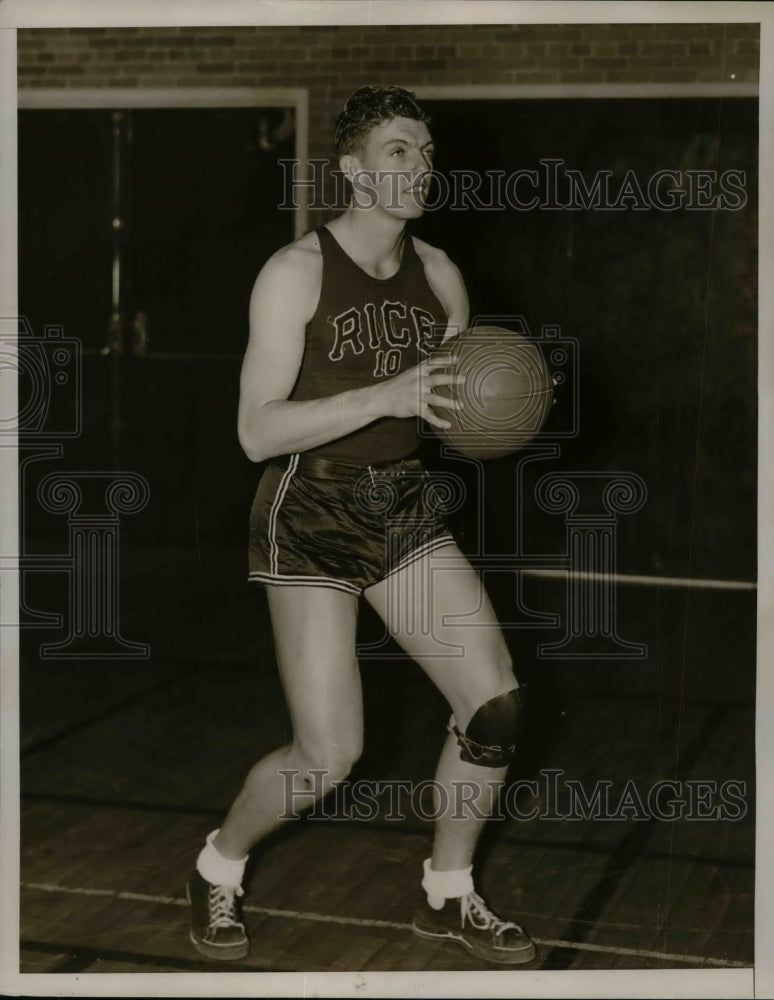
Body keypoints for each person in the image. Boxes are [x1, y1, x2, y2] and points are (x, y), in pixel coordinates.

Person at [186, 85, 535, 966]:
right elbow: (255, 430)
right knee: (328, 754)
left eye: (424, 151)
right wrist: (388, 394)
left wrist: (500, 411)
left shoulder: (442, 275)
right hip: (307, 508)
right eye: (396, 151)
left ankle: (447, 894)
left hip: (402, 502)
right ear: (351, 167)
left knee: (494, 706)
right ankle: (218, 864)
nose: (418, 167)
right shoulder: (295, 271)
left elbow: (453, 411)